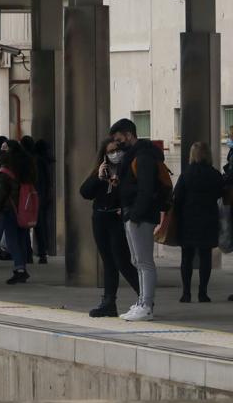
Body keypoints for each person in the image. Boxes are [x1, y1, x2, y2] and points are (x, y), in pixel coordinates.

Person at [110, 117, 164, 321]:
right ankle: (142, 301)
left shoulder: (142, 156)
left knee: (144, 261)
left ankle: (146, 305)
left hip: (139, 216)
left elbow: (146, 189)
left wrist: (135, 215)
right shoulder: (132, 156)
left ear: (129, 135)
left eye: (119, 138)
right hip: (132, 213)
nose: (117, 143)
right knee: (137, 260)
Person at [80, 138, 139, 317]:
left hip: (116, 218)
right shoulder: (101, 171)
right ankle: (108, 301)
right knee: (108, 260)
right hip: (100, 217)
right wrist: (99, 178)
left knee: (122, 260)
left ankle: (144, 296)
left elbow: (131, 193)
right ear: (104, 155)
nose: (115, 155)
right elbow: (85, 192)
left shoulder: (127, 170)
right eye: (110, 152)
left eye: (117, 151)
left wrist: (118, 186)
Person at [175, 141, 223, 303]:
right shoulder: (214, 174)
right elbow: (220, 193)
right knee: (205, 256)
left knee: (186, 257)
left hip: (188, 218)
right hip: (208, 218)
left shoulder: (186, 174)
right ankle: (203, 293)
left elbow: (178, 196)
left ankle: (186, 293)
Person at [0, 145, 30, 284]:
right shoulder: (26, 170)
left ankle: (19, 269)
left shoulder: (5, 171)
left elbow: (1, 194)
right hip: (25, 210)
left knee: (12, 240)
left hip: (10, 210)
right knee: (22, 240)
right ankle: (22, 267)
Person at [33, 138, 55, 263]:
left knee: (36, 226)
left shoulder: (35, 160)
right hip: (44, 196)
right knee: (42, 225)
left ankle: (41, 252)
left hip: (35, 195)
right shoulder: (47, 161)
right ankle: (43, 252)